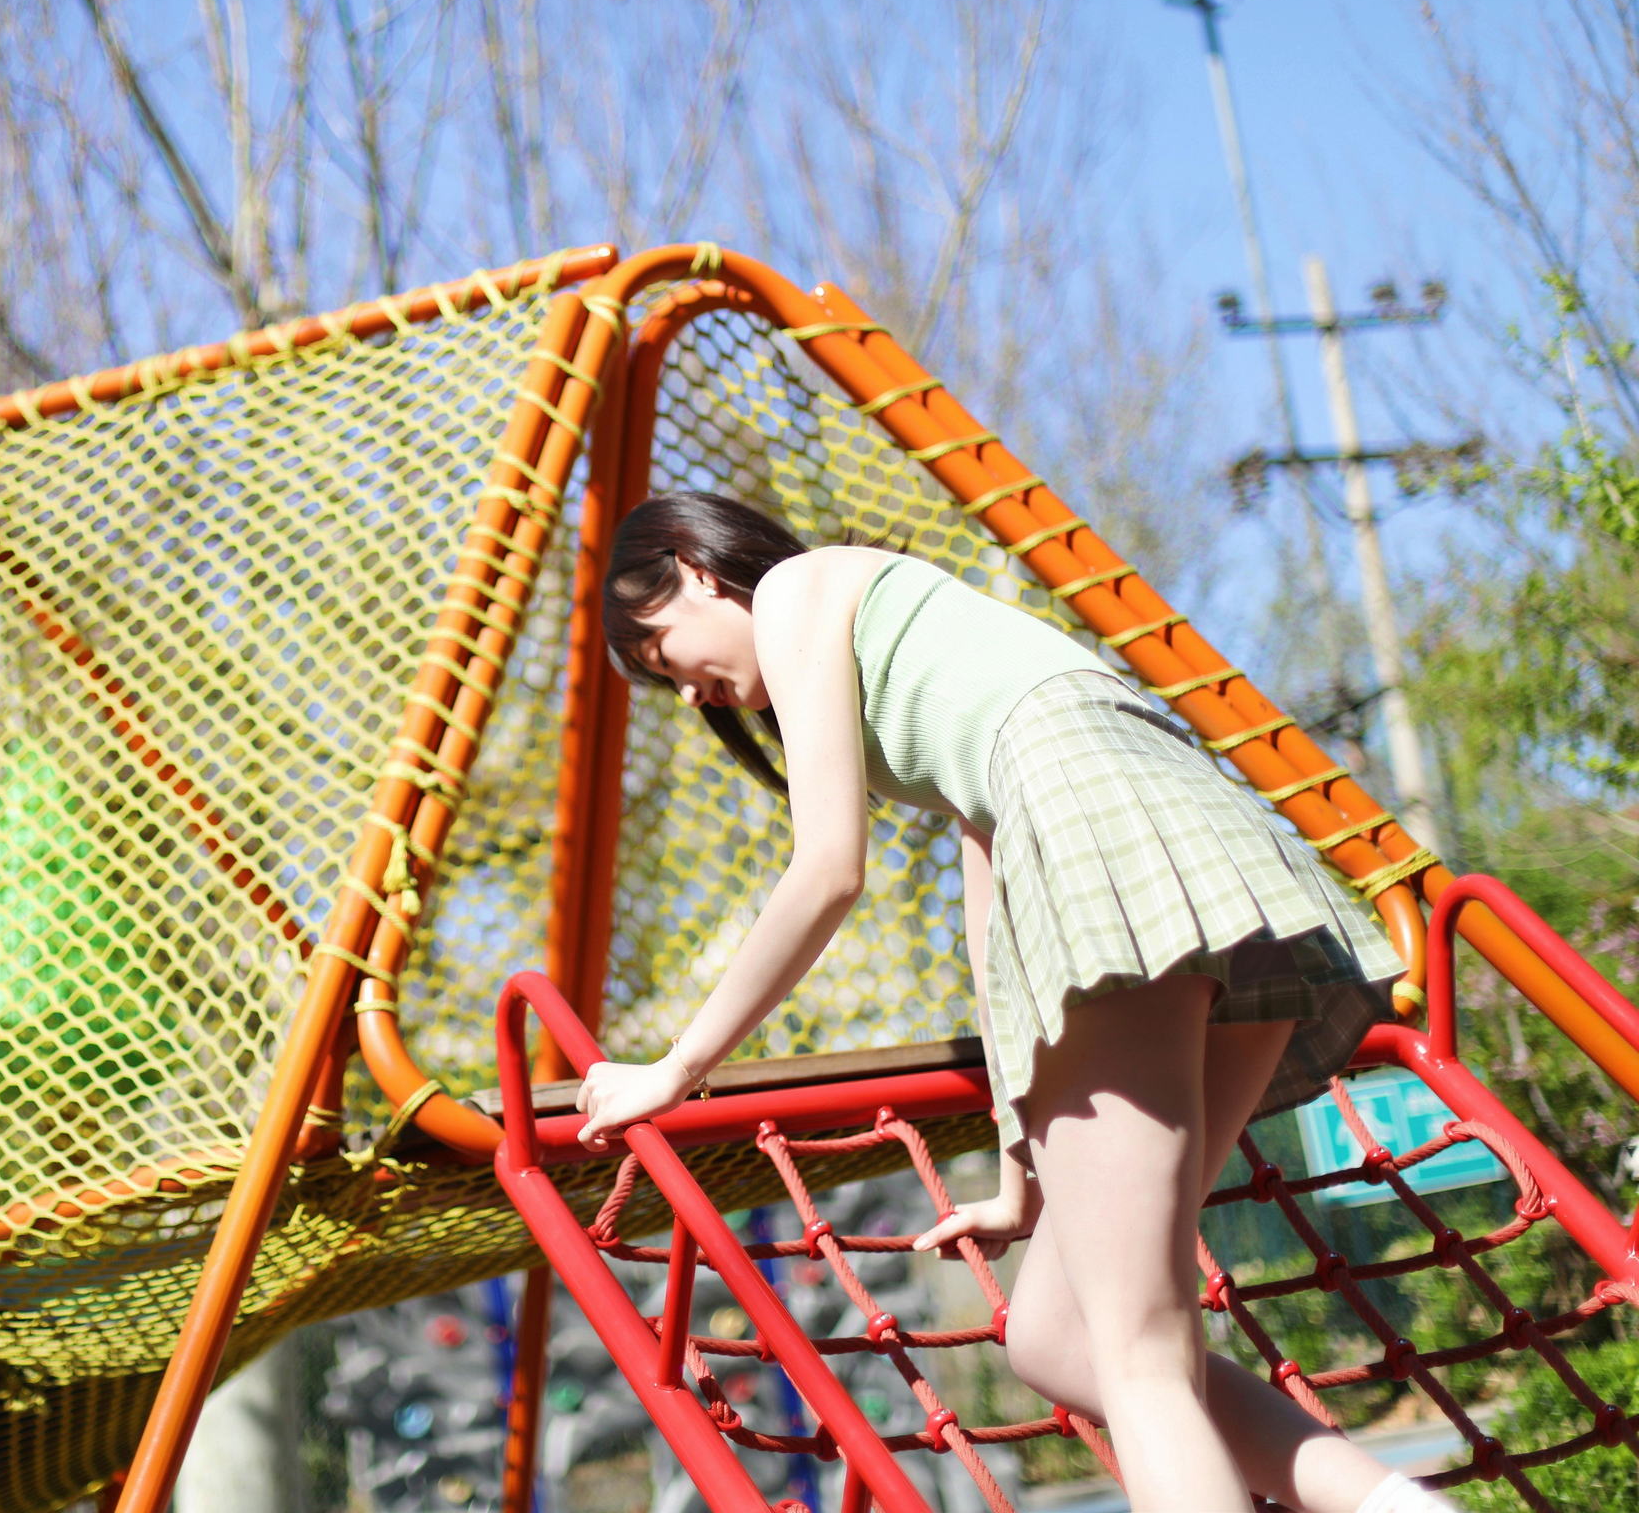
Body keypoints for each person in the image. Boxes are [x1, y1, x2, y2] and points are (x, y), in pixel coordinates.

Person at [570, 490, 1456, 1513]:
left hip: (1112, 843)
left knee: (1140, 1353)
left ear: (690, 568)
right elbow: (1004, 958)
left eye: (657, 647)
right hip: (1205, 859)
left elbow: (827, 869)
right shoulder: (953, 708)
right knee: (1060, 1337)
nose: (681, 691)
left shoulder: (797, 590)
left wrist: (677, 1066)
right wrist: (1018, 1172)